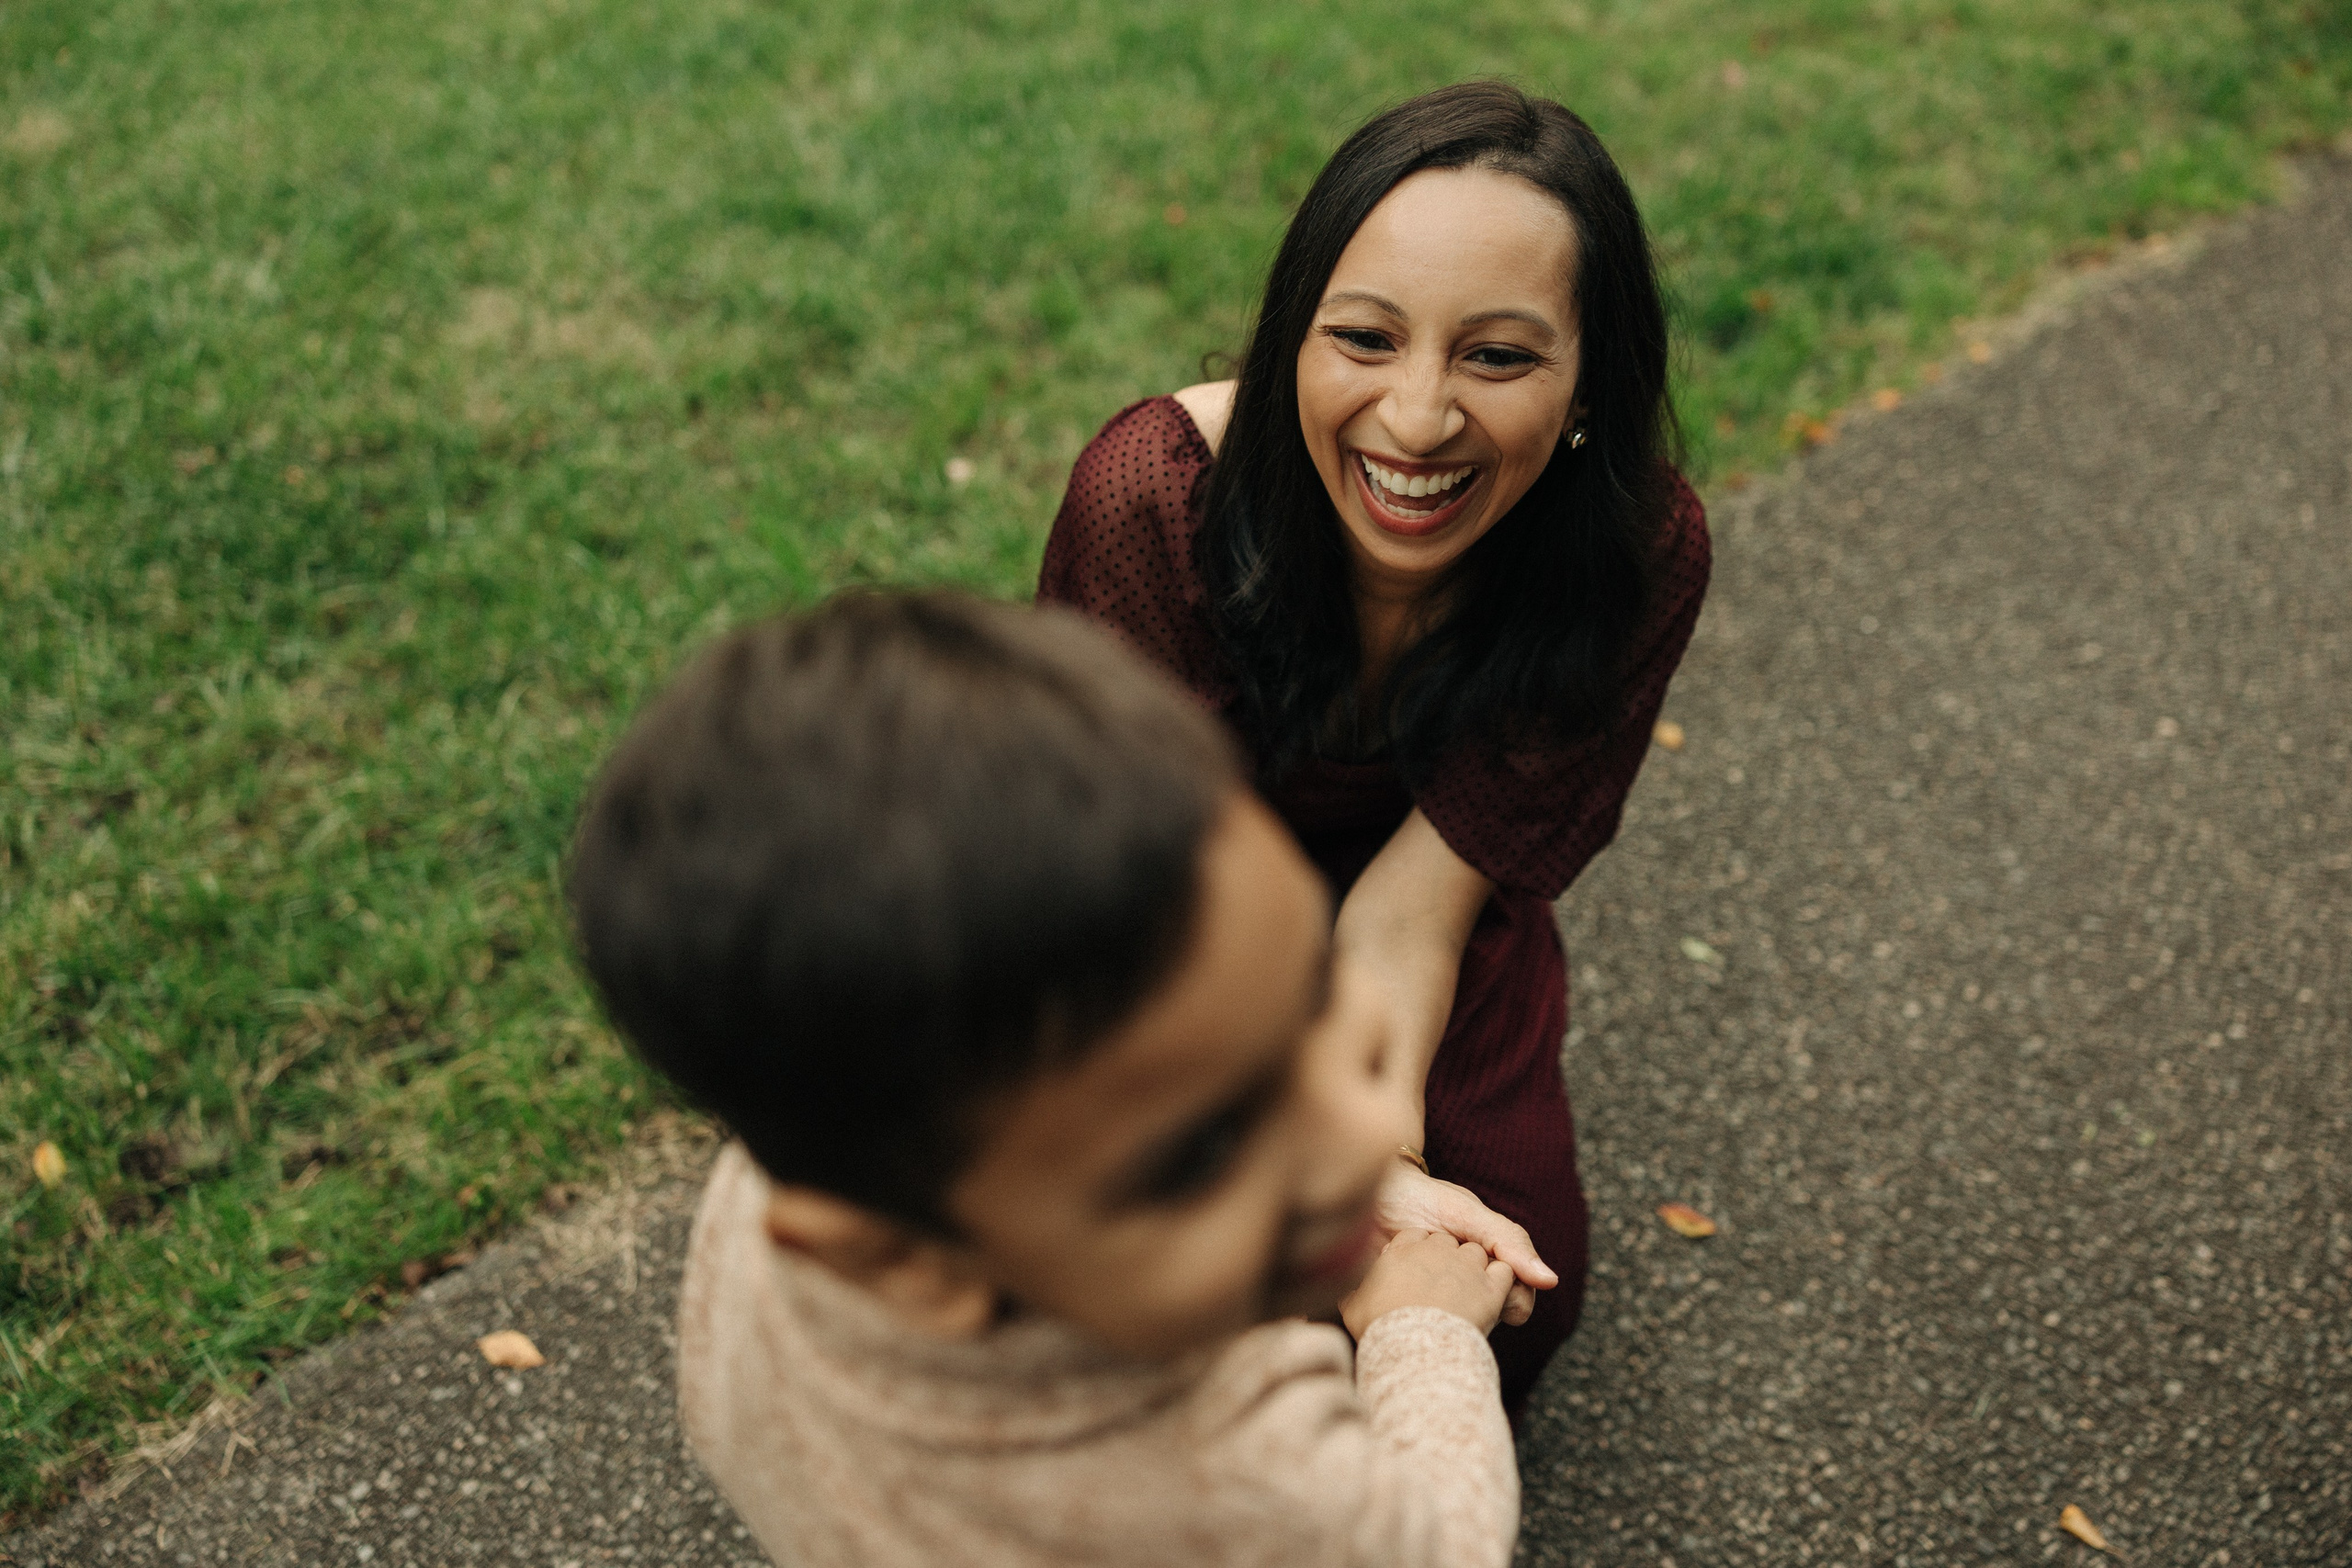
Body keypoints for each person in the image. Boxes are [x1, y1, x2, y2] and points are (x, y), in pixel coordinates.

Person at [568, 591, 1529, 1568]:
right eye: (1203, 1150)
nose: (1360, 1137)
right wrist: (1422, 1334)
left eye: (1310, 990)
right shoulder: (1253, 1476)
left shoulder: (815, 1153)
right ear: (906, 1263)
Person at [1037, 80, 1712, 1410]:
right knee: (1160, 1307)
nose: (1415, 418)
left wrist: (1383, 1176)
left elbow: (1407, 920)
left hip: (1422, 928)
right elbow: (1137, 908)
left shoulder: (1632, 552)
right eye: (1364, 338)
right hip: (1156, 939)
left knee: (1502, 1298)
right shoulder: (1152, 500)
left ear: (1589, 379)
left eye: (1498, 358)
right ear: (1293, 333)